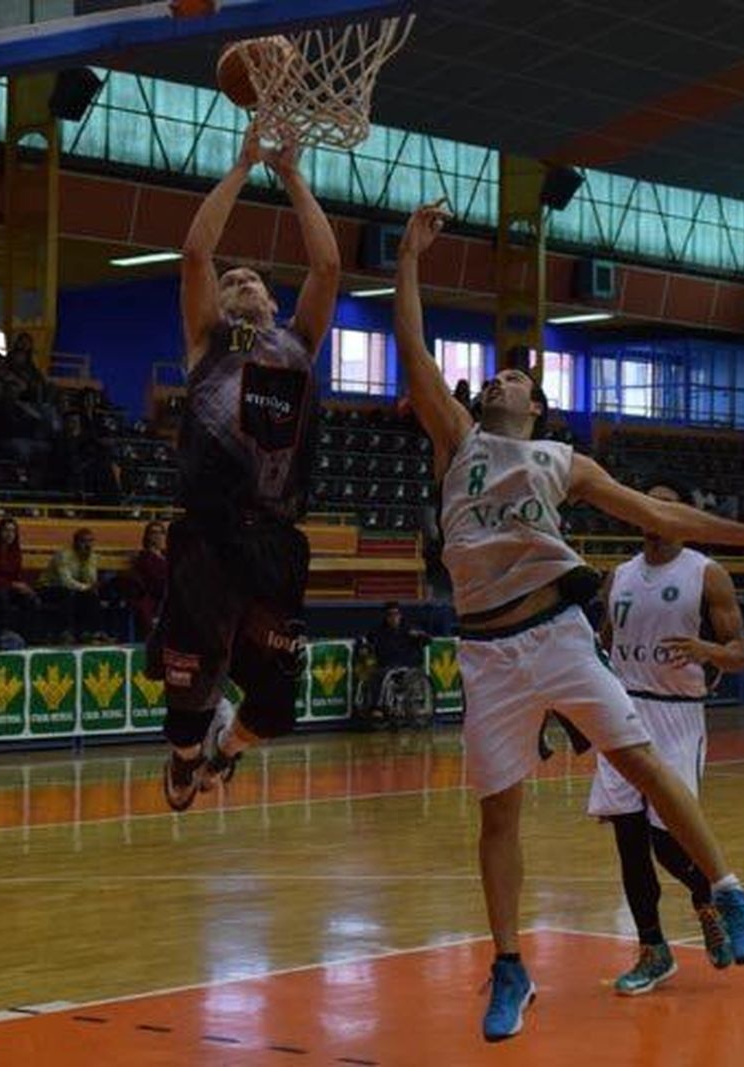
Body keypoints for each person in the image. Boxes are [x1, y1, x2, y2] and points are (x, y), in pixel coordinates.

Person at [395, 200, 744, 1042]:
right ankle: (510, 966)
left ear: (537, 405)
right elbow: (410, 347)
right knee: (498, 813)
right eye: (495, 376)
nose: (496, 380)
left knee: (646, 764)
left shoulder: (562, 461)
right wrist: (407, 258)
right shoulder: (456, 438)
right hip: (486, 649)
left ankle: (729, 890)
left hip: (557, 632)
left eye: (513, 378)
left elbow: (669, 520)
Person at [154, 121, 338, 811]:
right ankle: (183, 758)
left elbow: (326, 270)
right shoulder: (207, 341)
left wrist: (292, 175)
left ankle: (227, 750)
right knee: (186, 691)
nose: (239, 279)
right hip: (207, 533)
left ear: (272, 304)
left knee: (276, 701)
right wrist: (241, 167)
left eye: (253, 278)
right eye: (232, 280)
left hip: (276, 538)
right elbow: (198, 250)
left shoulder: (298, 343)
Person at [585, 478, 744, 993]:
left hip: (678, 718)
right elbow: (602, 646)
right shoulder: (619, 576)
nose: (656, 515)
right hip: (625, 712)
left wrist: (707, 650)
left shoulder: (707, 574)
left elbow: (740, 653)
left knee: (667, 842)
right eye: (649, 506)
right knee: (629, 845)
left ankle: (707, 898)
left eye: (669, 506)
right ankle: (652, 949)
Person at [360, 601, 430, 721]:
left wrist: (419, 635)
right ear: (386, 617)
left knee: (383, 674)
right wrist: (364, 648)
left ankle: (377, 708)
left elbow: (428, 640)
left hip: (405, 664)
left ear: (400, 615)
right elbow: (365, 640)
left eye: (396, 614)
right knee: (372, 674)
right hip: (385, 664)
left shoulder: (409, 628)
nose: (393, 618)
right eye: (390, 615)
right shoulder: (379, 630)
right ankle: (368, 706)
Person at [40, 527, 105, 643]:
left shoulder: (92, 557)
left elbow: (91, 580)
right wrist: (86, 587)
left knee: (91, 596)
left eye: (90, 541)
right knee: (67, 593)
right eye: (83, 541)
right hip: (49, 587)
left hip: (75, 590)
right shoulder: (63, 555)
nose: (87, 544)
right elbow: (66, 581)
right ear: (75, 542)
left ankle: (89, 632)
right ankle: (65, 632)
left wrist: (86, 560)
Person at [125, 519, 168, 640]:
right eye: (153, 533)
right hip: (153, 596)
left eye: (161, 533)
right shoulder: (144, 557)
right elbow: (153, 581)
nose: (157, 536)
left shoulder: (169, 556)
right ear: (147, 536)